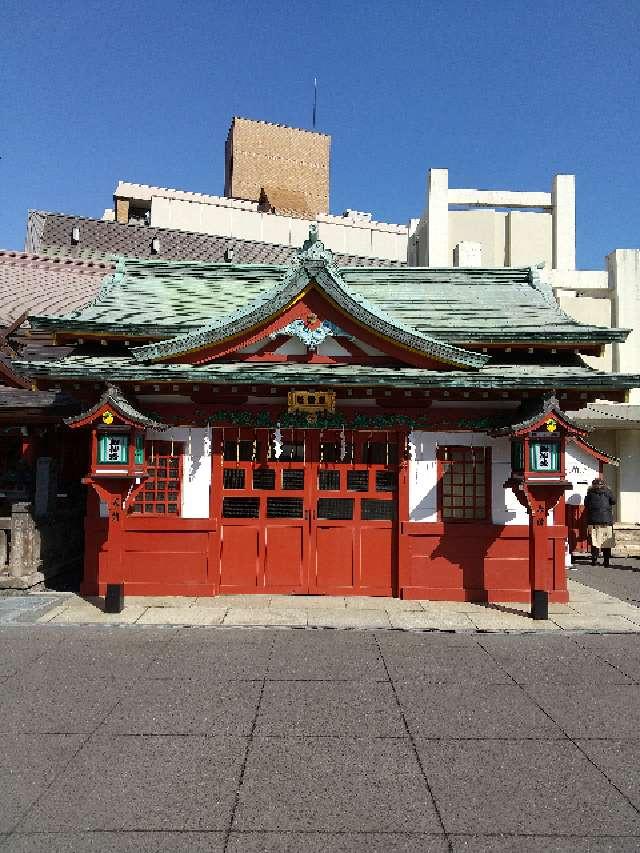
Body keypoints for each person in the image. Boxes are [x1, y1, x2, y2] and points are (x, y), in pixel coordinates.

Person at [584, 478, 616, 567]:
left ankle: (594, 560)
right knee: (606, 542)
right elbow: (614, 501)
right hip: (606, 521)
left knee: (595, 541)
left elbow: (586, 504)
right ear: (604, 484)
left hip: (593, 520)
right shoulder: (608, 492)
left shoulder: (590, 493)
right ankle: (606, 561)